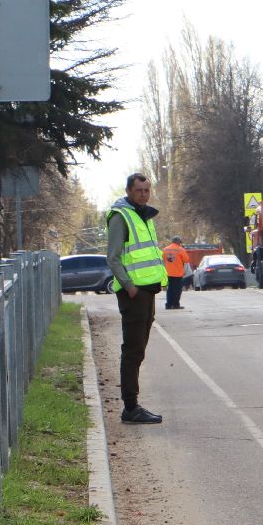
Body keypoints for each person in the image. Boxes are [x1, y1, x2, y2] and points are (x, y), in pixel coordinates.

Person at [106, 173, 166, 424]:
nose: (144, 194)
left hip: (147, 292)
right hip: (134, 294)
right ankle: (130, 407)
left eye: (147, 190)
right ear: (129, 191)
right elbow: (113, 257)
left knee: (138, 349)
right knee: (133, 350)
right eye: (139, 190)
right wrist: (130, 287)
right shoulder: (121, 217)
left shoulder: (143, 216)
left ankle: (132, 406)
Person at [162, 236, 191, 310]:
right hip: (178, 274)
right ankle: (175, 304)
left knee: (170, 289)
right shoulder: (180, 249)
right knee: (177, 290)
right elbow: (186, 260)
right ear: (178, 242)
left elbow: (163, 259)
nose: (180, 244)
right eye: (180, 242)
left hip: (168, 273)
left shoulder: (165, 249)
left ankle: (168, 305)